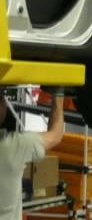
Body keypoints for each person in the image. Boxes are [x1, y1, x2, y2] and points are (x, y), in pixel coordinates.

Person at [0, 88, 65, 220]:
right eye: (2, 98)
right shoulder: (13, 146)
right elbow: (56, 135)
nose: (5, 103)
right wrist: (58, 92)